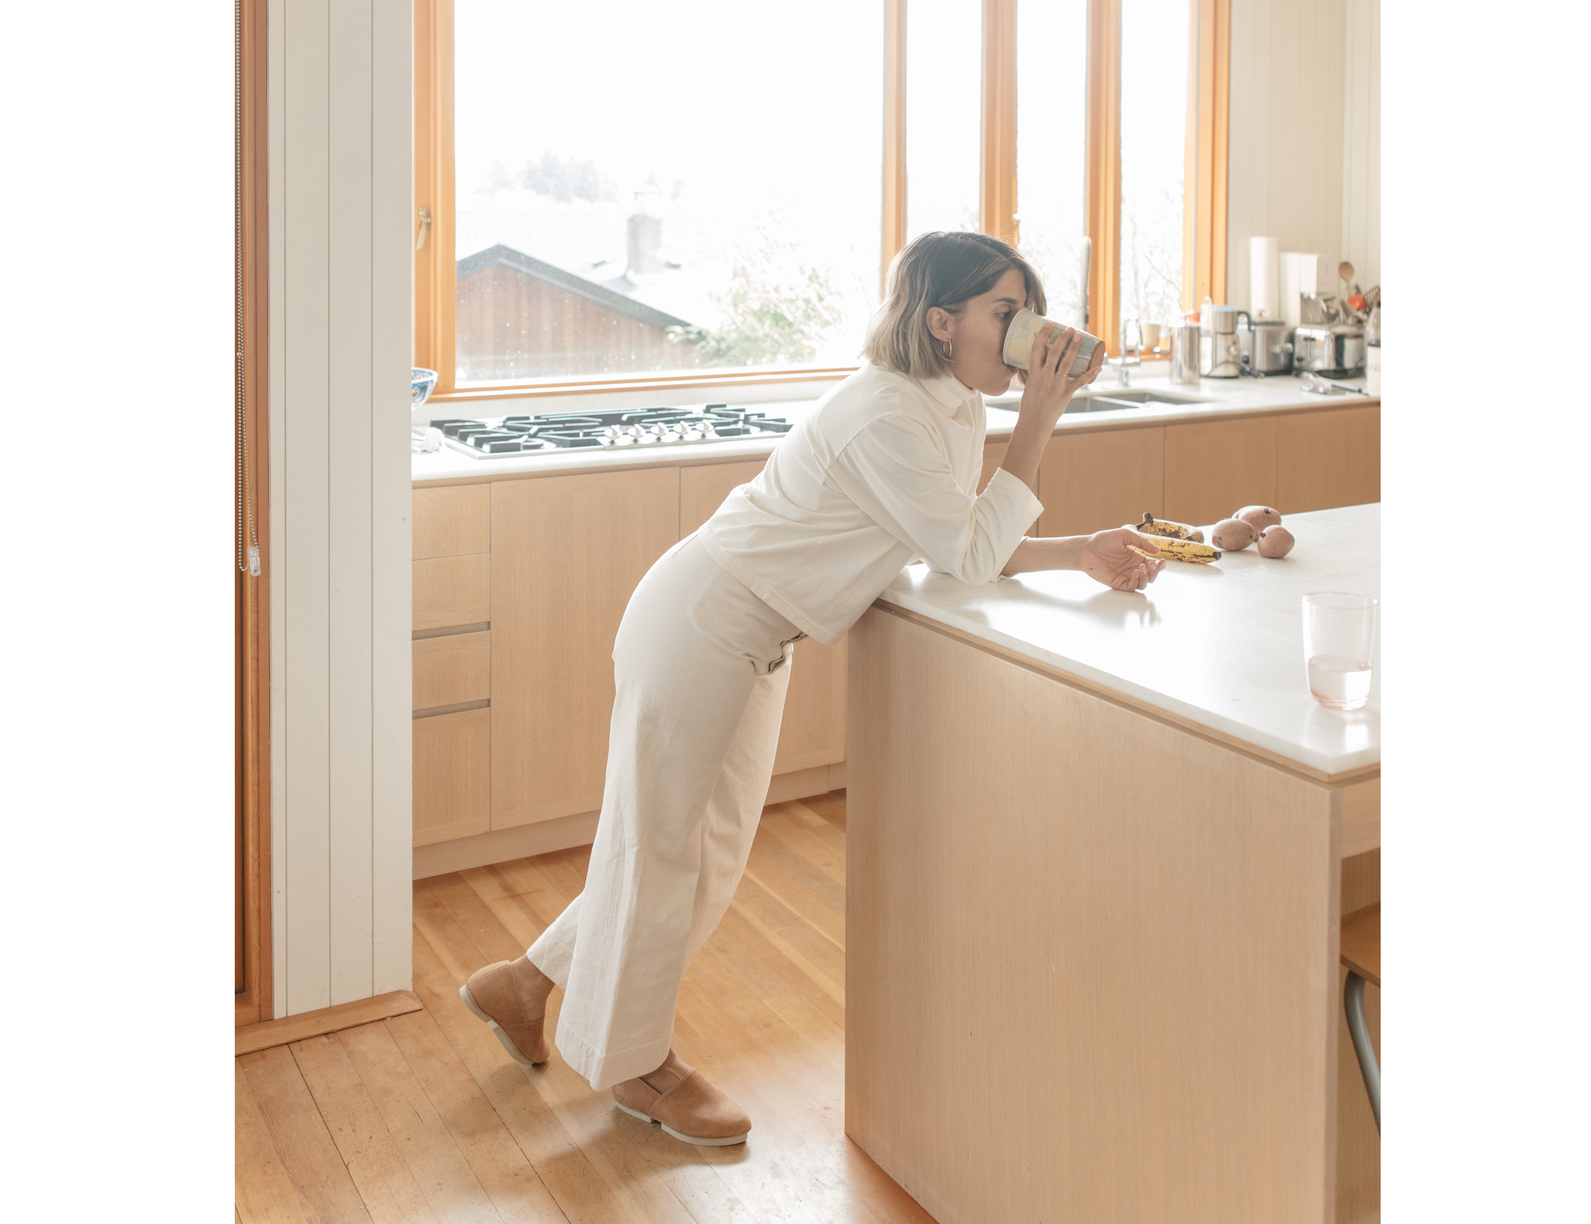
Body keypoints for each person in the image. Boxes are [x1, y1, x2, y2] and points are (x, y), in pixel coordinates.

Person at [459, 231, 1167, 1145]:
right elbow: (966, 548)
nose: (1029, 329)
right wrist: (1043, 412)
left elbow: (952, 545)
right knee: (665, 850)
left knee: (698, 855)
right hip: (704, 621)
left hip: (747, 631)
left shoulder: (942, 405)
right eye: (1008, 311)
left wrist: (1079, 550)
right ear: (941, 320)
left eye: (1028, 309)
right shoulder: (889, 414)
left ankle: (523, 984)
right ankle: (636, 1068)